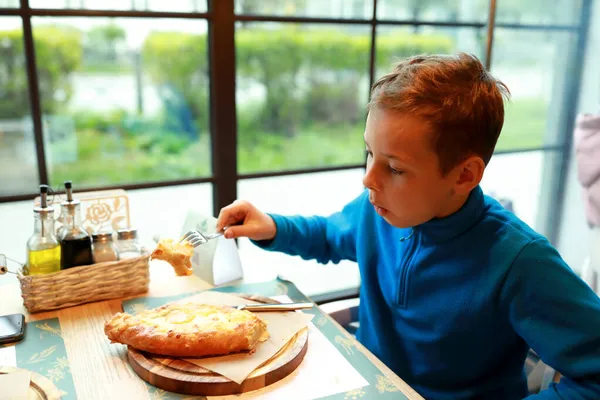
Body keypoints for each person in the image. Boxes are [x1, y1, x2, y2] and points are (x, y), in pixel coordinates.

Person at [216, 53, 600, 400]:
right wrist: (271, 226)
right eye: (369, 153)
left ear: (464, 175)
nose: (369, 179)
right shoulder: (378, 210)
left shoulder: (520, 262)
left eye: (395, 168)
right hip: (364, 383)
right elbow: (331, 234)